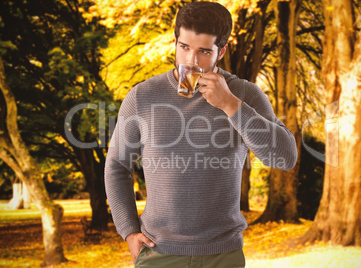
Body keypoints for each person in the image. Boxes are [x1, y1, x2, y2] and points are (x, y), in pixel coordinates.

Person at [105, 2, 297, 267]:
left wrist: (231, 105)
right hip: (158, 252)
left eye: (204, 51)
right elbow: (116, 165)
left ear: (222, 51)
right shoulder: (142, 97)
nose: (191, 61)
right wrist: (128, 230)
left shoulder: (245, 94)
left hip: (223, 254)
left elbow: (285, 158)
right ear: (175, 42)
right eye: (184, 47)